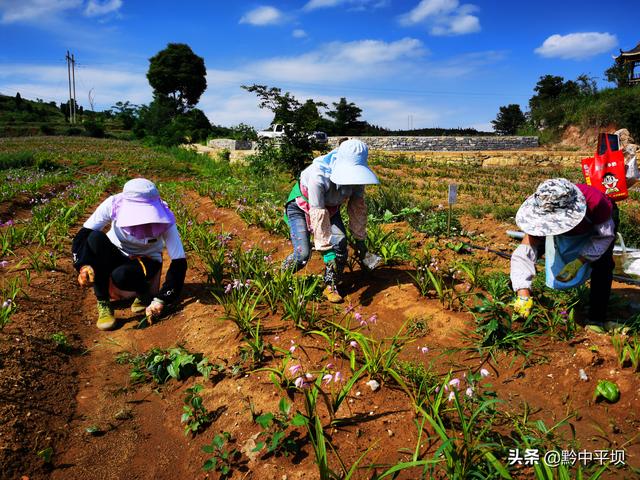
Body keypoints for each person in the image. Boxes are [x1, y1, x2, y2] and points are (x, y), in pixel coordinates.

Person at [72, 178, 187, 330]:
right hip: (115, 254)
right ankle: (103, 302)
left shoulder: (164, 217)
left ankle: (144, 292)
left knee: (122, 275)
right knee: (95, 238)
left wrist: (162, 298)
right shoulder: (113, 204)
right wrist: (82, 265)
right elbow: (84, 234)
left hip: (145, 261)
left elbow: (179, 261)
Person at [511, 178, 617, 332]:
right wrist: (522, 291)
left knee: (603, 265)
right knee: (534, 251)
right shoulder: (543, 203)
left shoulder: (596, 203)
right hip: (572, 225)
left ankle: (596, 317)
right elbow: (525, 252)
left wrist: (580, 261)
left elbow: (604, 236)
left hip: (597, 226)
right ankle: (521, 299)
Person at [282, 139, 379, 303]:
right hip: (301, 206)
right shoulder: (319, 175)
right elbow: (318, 215)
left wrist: (360, 242)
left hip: (330, 209)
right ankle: (281, 277)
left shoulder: (357, 179)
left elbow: (357, 209)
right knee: (303, 254)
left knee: (340, 244)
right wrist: (327, 253)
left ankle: (331, 285)